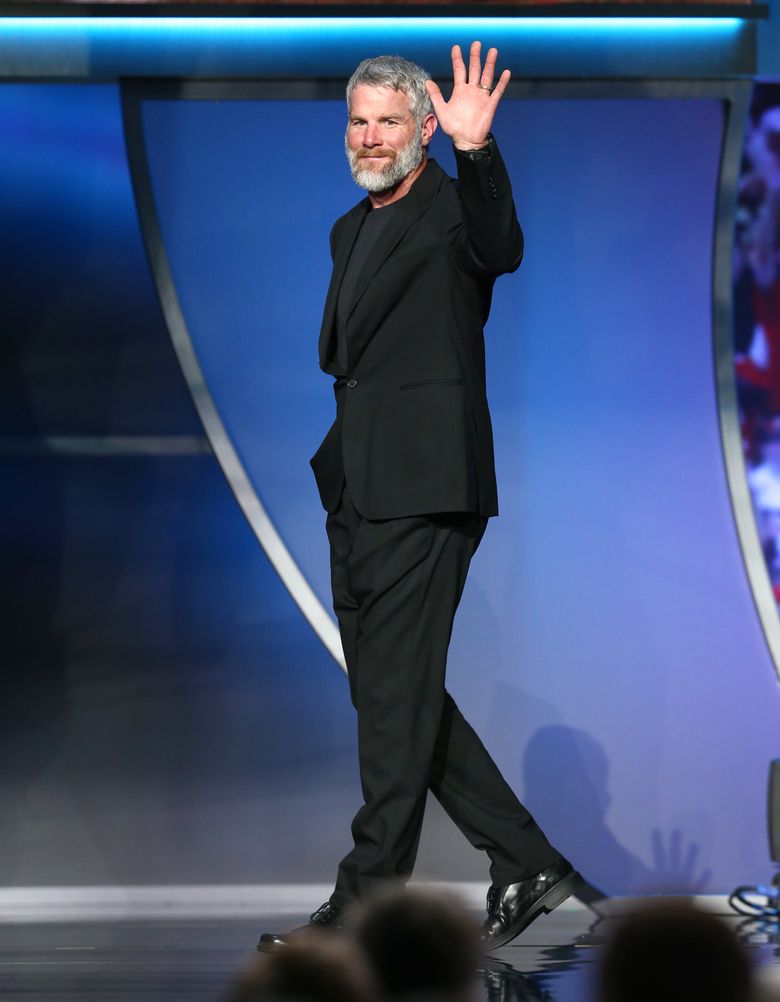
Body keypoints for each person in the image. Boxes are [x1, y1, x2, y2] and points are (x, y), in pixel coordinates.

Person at [259, 42, 580, 953]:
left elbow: (500, 245)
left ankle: (364, 903)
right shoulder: (347, 229)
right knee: (393, 697)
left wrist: (479, 156)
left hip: (427, 486)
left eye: (387, 121)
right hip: (360, 488)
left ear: (425, 129)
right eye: (357, 122)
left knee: (393, 697)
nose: (368, 137)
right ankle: (524, 858)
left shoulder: (449, 211)